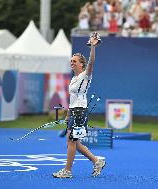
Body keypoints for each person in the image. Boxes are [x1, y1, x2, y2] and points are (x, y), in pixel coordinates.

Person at [53, 33, 106, 179]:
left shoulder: (85, 75)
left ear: (81, 64)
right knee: (75, 142)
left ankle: (67, 171)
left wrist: (93, 47)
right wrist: (68, 114)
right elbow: (72, 99)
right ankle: (97, 161)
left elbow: (92, 62)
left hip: (81, 112)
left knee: (71, 141)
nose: (72, 63)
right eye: (71, 61)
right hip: (74, 112)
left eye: (74, 61)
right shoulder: (74, 78)